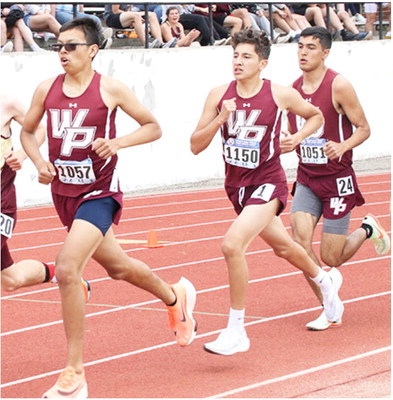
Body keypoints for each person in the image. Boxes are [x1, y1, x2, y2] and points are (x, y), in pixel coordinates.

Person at [20, 18, 197, 397]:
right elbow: (27, 132)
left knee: (68, 269)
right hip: (64, 194)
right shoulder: (45, 90)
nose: (62, 53)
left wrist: (117, 143)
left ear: (92, 50)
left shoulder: (110, 89)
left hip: (99, 194)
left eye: (70, 46)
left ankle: (75, 372)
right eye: (58, 47)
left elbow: (153, 127)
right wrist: (38, 163)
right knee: (118, 267)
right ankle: (174, 296)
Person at [190, 28, 343, 356]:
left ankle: (236, 330)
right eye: (235, 55)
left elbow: (315, 115)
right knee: (286, 248)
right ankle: (325, 281)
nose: (238, 62)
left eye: (246, 57)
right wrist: (221, 118)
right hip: (236, 187)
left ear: (263, 63)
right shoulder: (219, 95)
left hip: (268, 183)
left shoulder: (280, 94)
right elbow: (195, 146)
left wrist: (298, 136)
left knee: (232, 245)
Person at [286, 26, 390, 331]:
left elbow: (364, 128)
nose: (303, 53)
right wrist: (288, 139)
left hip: (337, 179)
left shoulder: (339, 86)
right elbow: (296, 130)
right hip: (307, 177)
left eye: (310, 48)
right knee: (299, 241)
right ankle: (329, 306)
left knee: (333, 257)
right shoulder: (292, 90)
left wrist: (343, 146)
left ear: (325, 53)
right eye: (300, 47)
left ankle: (367, 229)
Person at [1, 93, 91, 300]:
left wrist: (22, 154)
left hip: (1, 205)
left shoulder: (7, 103)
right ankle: (61, 274)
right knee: (11, 279)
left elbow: (40, 129)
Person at [103, 4, 170, 48]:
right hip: (111, 17)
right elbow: (115, 10)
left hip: (126, 15)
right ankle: (146, 44)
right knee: (136, 16)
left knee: (152, 15)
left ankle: (161, 43)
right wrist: (131, 15)